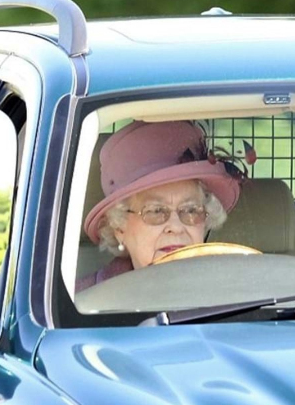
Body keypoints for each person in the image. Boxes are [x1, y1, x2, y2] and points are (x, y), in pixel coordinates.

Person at [78, 120, 243, 292]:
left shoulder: (236, 295)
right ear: (119, 228)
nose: (176, 227)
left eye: (190, 210)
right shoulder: (81, 303)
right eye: (156, 211)